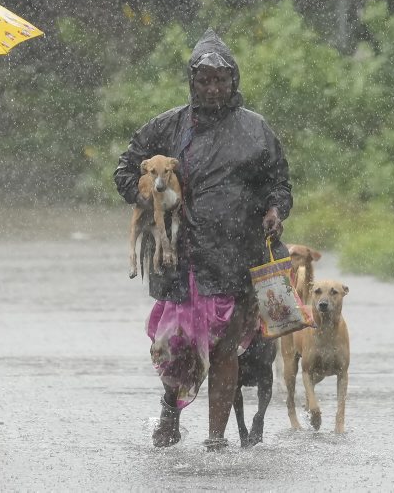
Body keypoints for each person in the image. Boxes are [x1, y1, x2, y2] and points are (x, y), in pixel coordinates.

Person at [113, 29, 292, 451]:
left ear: (234, 82)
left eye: (220, 80)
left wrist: (275, 211)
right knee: (177, 345)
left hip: (236, 255)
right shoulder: (167, 127)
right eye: (204, 80)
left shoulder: (255, 130)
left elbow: (279, 184)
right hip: (179, 258)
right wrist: (151, 195)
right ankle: (170, 412)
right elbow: (125, 170)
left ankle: (215, 440)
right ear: (192, 83)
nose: (213, 88)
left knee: (226, 348)